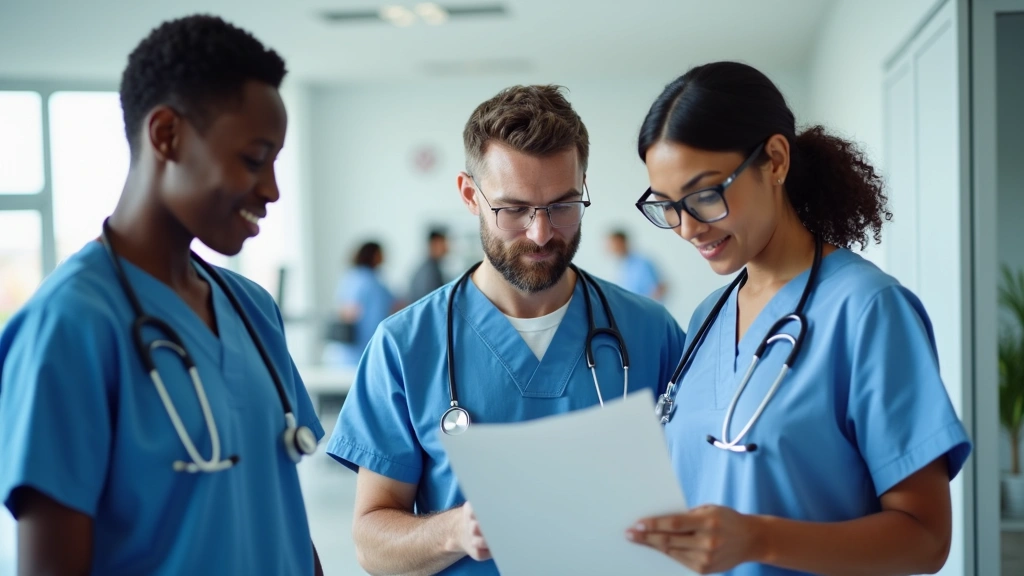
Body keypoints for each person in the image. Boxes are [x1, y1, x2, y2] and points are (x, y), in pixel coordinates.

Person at [0, 15, 325, 575]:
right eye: (253, 159)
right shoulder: (70, 325)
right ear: (166, 134)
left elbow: (282, 519)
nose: (271, 189)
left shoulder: (252, 311)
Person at [625, 61, 972, 575]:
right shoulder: (706, 319)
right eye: (669, 206)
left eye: (704, 196)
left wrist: (758, 538)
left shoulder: (867, 309)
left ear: (775, 160)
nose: (687, 228)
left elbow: (925, 539)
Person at [326, 85, 687, 575]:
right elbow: (373, 547)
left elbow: (696, 494)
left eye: (562, 205)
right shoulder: (405, 345)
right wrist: (456, 530)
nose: (541, 233)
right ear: (470, 195)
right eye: (514, 209)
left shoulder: (650, 332)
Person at [322, 241, 397, 367]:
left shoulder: (353, 277)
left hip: (357, 348)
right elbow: (348, 311)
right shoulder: (365, 280)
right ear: (373, 255)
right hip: (357, 349)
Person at [607, 229, 667, 301]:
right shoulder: (622, 267)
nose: (612, 248)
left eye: (614, 244)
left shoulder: (642, 263)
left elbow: (659, 288)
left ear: (623, 242)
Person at [408, 227, 451, 302]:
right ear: (435, 244)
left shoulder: (429, 267)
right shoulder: (430, 272)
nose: (447, 247)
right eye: (444, 243)